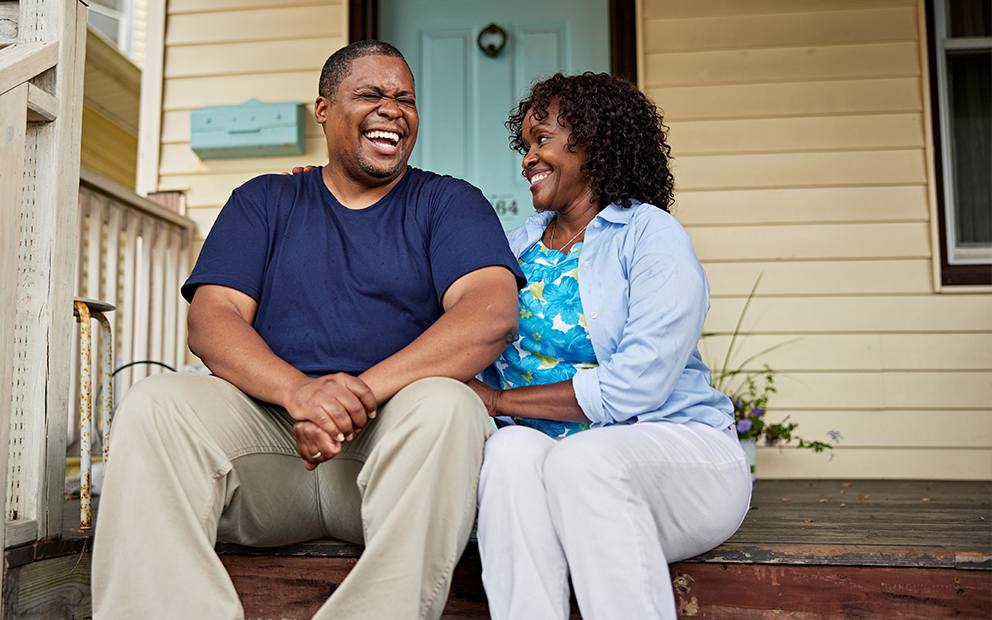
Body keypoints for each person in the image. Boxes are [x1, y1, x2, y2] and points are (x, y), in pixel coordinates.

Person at [91, 40, 524, 620]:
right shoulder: (265, 200)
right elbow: (212, 318)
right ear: (322, 110)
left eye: (405, 99)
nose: (392, 109)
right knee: (155, 405)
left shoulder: (448, 203)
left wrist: (359, 394)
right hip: (270, 453)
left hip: (392, 458)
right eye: (369, 94)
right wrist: (301, 393)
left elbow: (490, 314)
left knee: (448, 406)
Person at [466, 72, 752, 620]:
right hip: (555, 466)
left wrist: (501, 403)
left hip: (674, 458)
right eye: (525, 145)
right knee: (506, 453)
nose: (528, 158)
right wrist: (333, 188)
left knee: (583, 460)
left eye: (542, 139)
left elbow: (635, 386)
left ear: (594, 144)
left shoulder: (652, 236)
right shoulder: (515, 247)